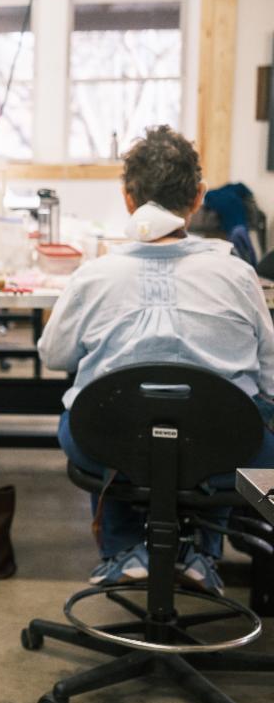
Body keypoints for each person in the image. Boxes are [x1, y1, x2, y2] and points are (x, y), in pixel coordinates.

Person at [39, 125, 274, 596]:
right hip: (227, 450)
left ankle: (124, 551)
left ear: (128, 199)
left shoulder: (94, 276)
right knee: (237, 412)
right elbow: (270, 375)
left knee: (104, 408)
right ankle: (203, 553)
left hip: (110, 445)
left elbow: (55, 355)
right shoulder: (238, 275)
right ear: (199, 197)